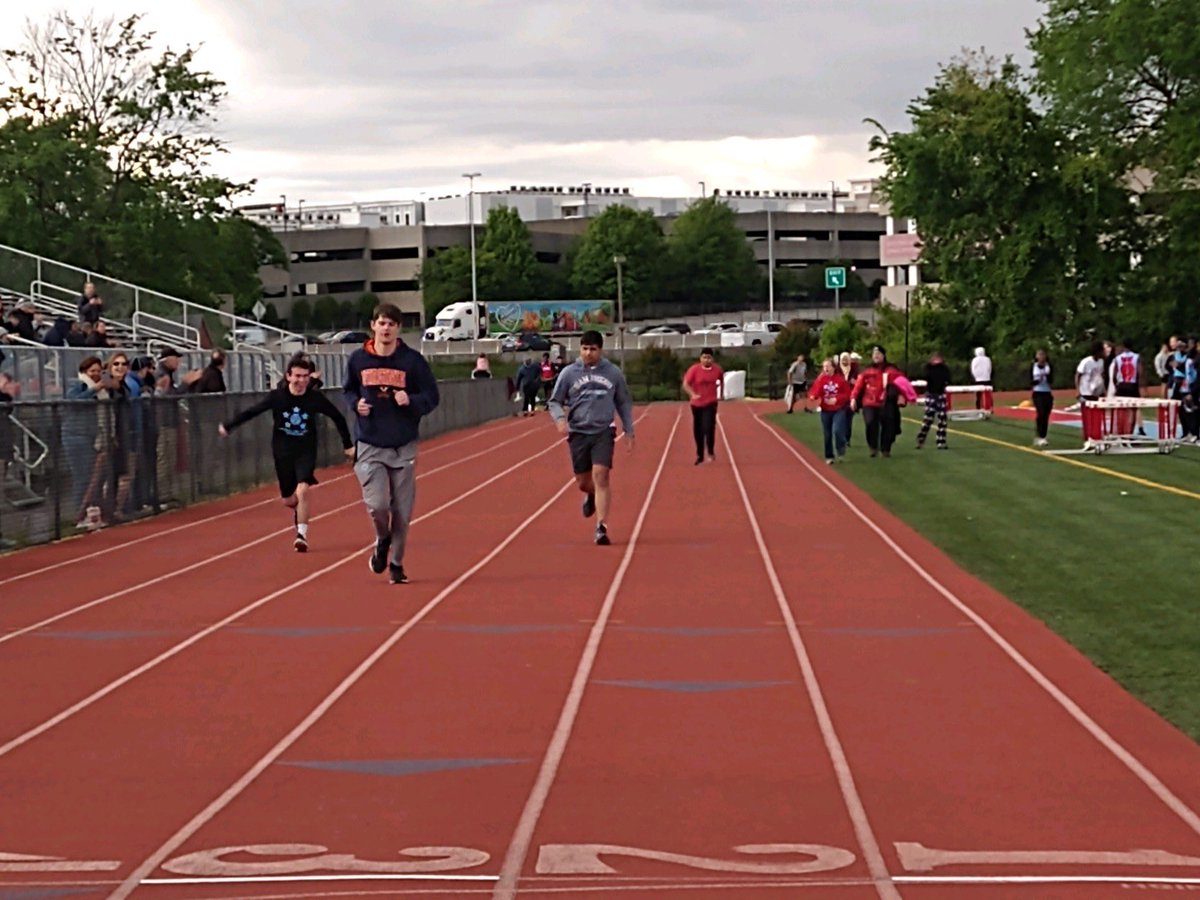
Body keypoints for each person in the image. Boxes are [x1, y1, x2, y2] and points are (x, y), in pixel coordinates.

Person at [343, 303, 440, 583]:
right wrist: (355, 404)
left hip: (402, 444)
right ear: (373, 326)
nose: (386, 328)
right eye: (382, 323)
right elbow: (348, 390)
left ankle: (396, 563)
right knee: (378, 504)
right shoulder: (358, 359)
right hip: (370, 442)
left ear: (398, 328)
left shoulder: (412, 361)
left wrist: (412, 400)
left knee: (402, 511)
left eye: (391, 324)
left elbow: (432, 396)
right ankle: (382, 538)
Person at [220, 355, 353, 552]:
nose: (301, 381)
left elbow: (338, 417)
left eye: (305, 376)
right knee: (289, 499)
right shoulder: (278, 397)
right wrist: (229, 426)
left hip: (306, 450)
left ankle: (301, 535)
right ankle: (299, 509)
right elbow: (253, 411)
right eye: (297, 376)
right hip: (282, 451)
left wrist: (347, 445)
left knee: (303, 490)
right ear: (288, 376)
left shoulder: (315, 398)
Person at [548, 329, 635, 546]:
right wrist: (560, 420)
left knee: (601, 475)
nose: (588, 353)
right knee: (583, 482)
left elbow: (623, 401)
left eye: (593, 349)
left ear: (601, 350)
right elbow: (555, 401)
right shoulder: (569, 373)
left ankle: (601, 527)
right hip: (578, 432)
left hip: (603, 431)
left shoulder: (613, 373)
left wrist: (629, 430)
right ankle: (591, 495)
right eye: (585, 349)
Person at [849, 345, 903, 458]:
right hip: (870, 402)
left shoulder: (892, 370)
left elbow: (902, 384)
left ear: (883, 355)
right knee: (870, 422)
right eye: (874, 354)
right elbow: (858, 386)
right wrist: (853, 398)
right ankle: (873, 447)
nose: (876, 356)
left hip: (886, 402)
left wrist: (902, 396)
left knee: (889, 425)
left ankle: (885, 448)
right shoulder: (867, 371)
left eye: (878, 354)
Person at [682, 348, 723, 464]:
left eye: (709, 357)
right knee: (698, 429)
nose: (706, 360)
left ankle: (710, 450)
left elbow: (721, 381)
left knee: (709, 426)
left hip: (711, 402)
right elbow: (686, 384)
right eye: (704, 357)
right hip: (697, 404)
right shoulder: (694, 369)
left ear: (712, 359)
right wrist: (692, 394)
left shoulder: (717, 370)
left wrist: (721, 394)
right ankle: (700, 454)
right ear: (700, 358)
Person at [807, 357, 851, 463]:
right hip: (825, 410)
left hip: (838, 409)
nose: (826, 368)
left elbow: (847, 394)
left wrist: (836, 399)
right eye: (824, 366)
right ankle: (829, 456)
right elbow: (814, 391)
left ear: (833, 367)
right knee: (827, 434)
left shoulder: (840, 380)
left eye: (828, 366)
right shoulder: (821, 380)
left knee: (838, 430)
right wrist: (813, 397)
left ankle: (841, 449)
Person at [915, 351, 952, 450]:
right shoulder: (929, 368)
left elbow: (948, 379)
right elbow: (926, 376)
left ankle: (941, 441)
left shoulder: (944, 369)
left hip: (941, 395)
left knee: (942, 420)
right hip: (931, 395)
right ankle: (921, 438)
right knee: (928, 419)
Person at [1031, 349, 1054, 447]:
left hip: (1047, 392)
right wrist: (1038, 380)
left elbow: (1052, 380)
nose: (1041, 357)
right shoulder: (1033, 367)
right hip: (1038, 392)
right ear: (1036, 357)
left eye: (1043, 355)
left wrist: (1047, 376)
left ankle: (1043, 436)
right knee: (1041, 413)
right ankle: (1039, 435)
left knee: (1046, 415)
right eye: (1039, 355)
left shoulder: (1049, 366)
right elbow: (1030, 381)